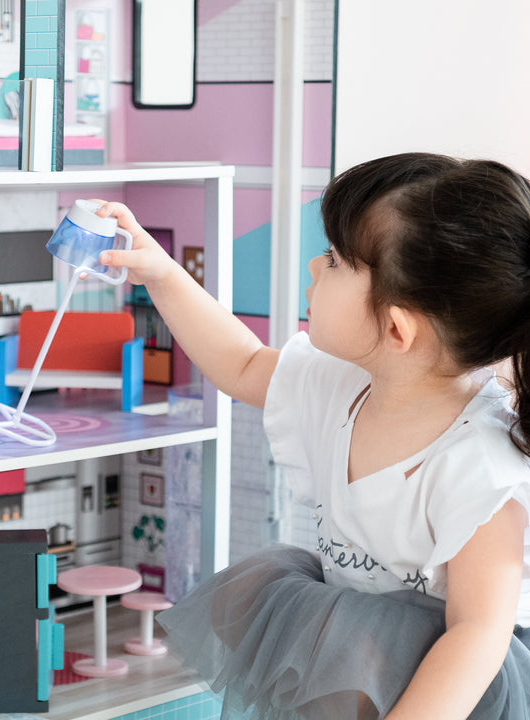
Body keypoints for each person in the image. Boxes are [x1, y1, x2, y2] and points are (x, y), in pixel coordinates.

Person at [94, 152, 530, 719]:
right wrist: (162, 272)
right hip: (348, 648)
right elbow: (242, 363)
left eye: (335, 260)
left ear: (396, 328)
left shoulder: (481, 467)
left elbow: (476, 635)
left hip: (445, 690)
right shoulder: (341, 384)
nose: (313, 268)